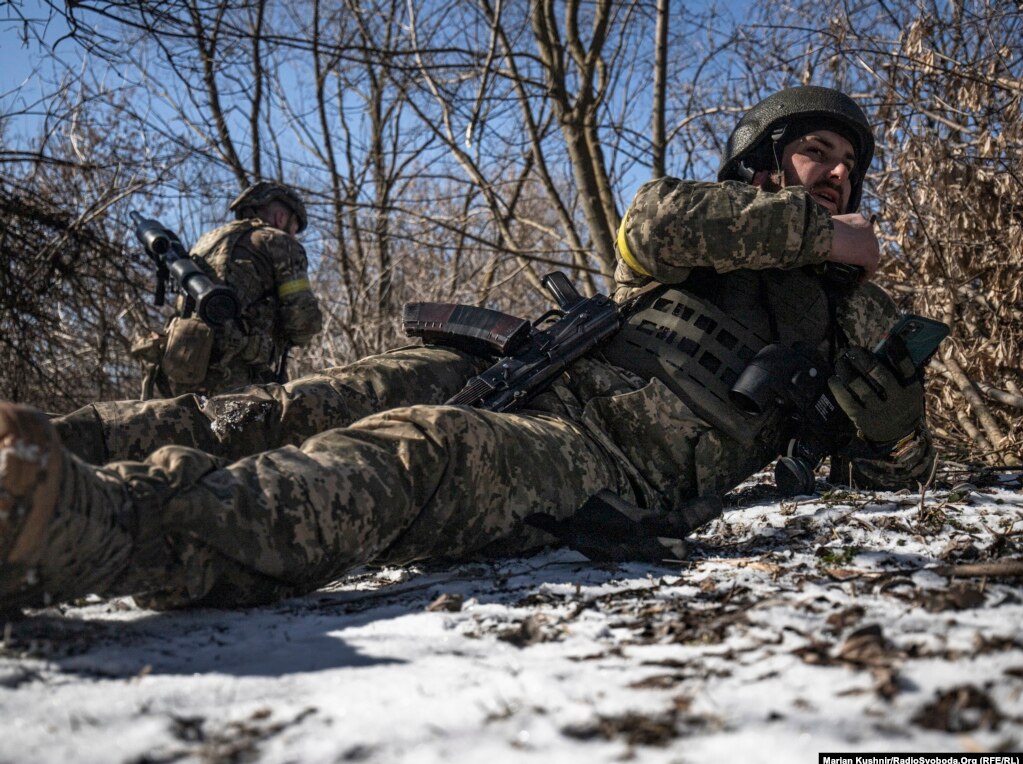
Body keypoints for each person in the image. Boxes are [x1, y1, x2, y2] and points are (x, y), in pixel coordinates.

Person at [0, 86, 935, 612]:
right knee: (292, 405)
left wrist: (895, 436)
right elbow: (647, 223)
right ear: (764, 160)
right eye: (817, 151)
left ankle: (82, 526)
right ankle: (51, 442)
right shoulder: (711, 218)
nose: (841, 171)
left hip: (606, 461)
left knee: (418, 449)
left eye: (850, 163)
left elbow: (882, 489)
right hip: (532, 363)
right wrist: (818, 234)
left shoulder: (856, 313)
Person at [133, 181, 323, 398]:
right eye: (294, 228)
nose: (294, 236)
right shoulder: (278, 242)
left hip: (186, 363)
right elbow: (303, 322)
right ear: (281, 217)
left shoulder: (206, 241)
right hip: (239, 373)